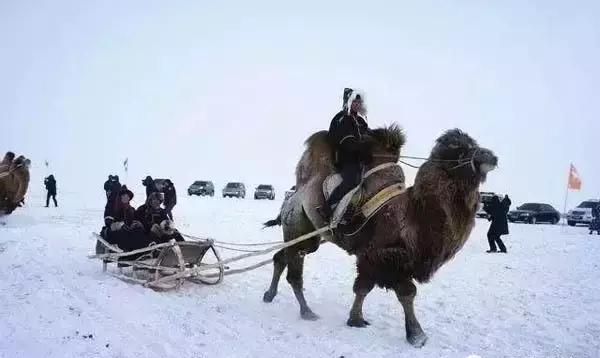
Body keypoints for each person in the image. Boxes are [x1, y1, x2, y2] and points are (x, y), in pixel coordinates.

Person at [319, 88, 372, 219]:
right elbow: (346, 141)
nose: (357, 105)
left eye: (359, 102)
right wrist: (361, 150)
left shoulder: (361, 121)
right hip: (344, 159)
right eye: (354, 102)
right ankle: (328, 207)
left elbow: (369, 136)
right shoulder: (341, 119)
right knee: (352, 180)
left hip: (359, 158)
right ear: (348, 102)